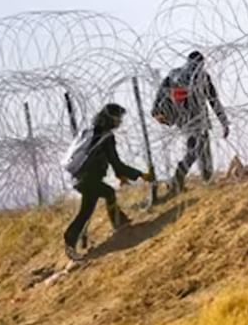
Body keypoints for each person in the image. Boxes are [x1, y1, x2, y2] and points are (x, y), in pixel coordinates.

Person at [63, 103, 153, 261]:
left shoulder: (91, 132)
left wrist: (122, 175)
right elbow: (117, 164)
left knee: (86, 211)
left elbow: (114, 166)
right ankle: (119, 224)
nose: (120, 121)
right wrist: (141, 175)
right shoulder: (107, 137)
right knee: (108, 193)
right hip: (88, 179)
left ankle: (71, 240)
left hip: (79, 178)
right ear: (110, 119)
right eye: (119, 118)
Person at [157, 50, 230, 192]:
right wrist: (224, 122)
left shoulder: (174, 75)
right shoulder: (201, 77)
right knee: (198, 150)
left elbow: (161, 96)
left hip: (184, 121)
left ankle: (200, 179)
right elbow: (214, 101)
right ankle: (180, 179)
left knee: (198, 150)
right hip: (197, 120)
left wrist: (159, 113)